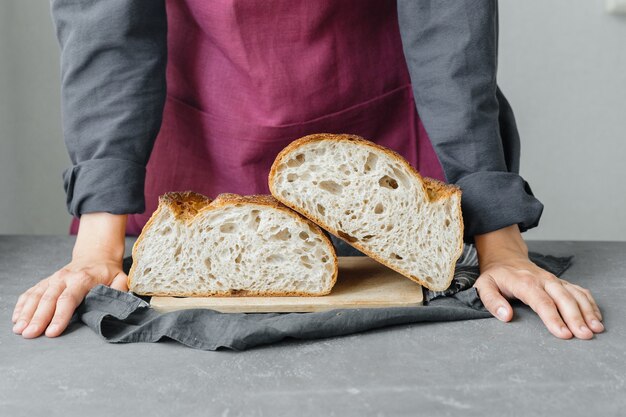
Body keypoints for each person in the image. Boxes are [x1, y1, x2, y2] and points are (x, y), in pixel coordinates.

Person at [12, 0, 603, 340]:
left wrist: (498, 243)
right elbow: (107, 24)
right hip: (196, 142)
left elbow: (448, 17)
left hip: (393, 135)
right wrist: (97, 248)